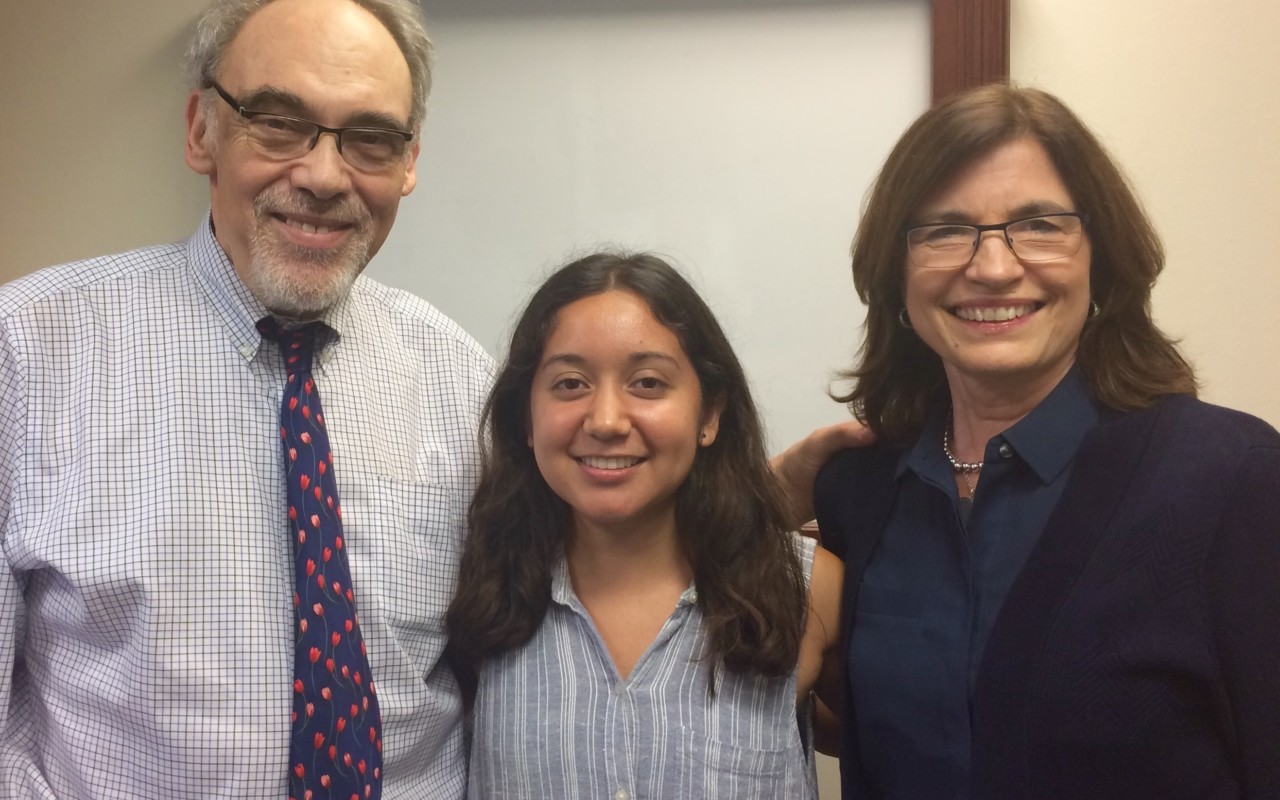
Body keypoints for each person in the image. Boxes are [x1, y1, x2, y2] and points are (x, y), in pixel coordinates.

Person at [0, 0, 492, 796]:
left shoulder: (463, 381)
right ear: (203, 131)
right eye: (276, 120)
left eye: (369, 138)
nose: (324, 176)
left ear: (407, 163)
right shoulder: (26, 351)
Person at [811, 83, 1280, 799]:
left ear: (1101, 258)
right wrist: (767, 492)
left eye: (1039, 225)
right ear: (895, 277)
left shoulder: (1233, 481)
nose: (994, 268)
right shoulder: (862, 492)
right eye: (944, 230)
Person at [445, 252, 844, 800]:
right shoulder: (468, 594)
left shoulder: (810, 591)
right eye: (569, 383)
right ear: (526, 419)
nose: (606, 421)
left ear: (709, 415)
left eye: (648, 383)